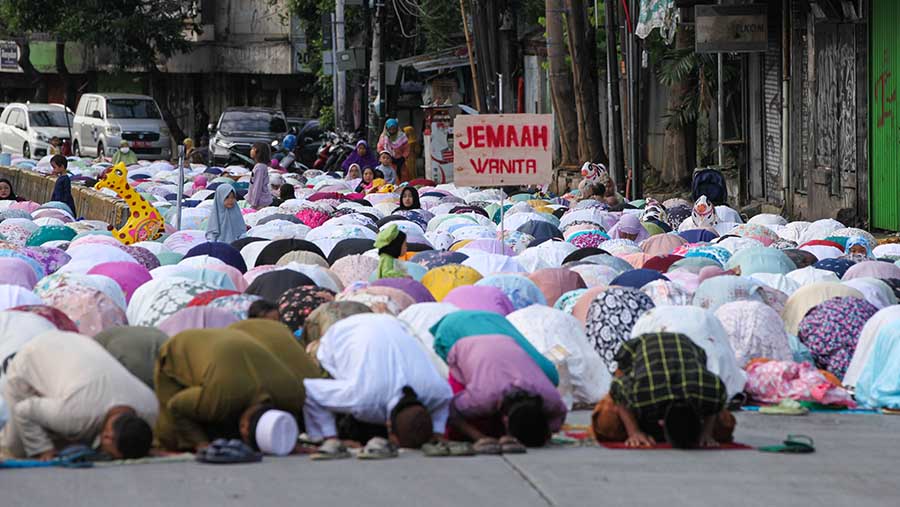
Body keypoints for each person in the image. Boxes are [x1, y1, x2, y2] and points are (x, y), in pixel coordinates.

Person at [302, 314, 452, 457]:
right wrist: (331, 439)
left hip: (393, 324)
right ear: (388, 427)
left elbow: (444, 403)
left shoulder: (437, 393)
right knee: (345, 391)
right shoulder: (363, 398)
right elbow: (310, 390)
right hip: (340, 333)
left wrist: (438, 432)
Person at [154, 325, 321, 452]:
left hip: (237, 338)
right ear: (244, 426)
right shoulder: (220, 400)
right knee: (171, 435)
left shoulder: (292, 395)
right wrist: (201, 444)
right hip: (183, 346)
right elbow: (176, 406)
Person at [0, 331, 157, 460]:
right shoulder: (75, 414)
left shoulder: (151, 407)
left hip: (75, 343)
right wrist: (43, 451)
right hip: (32, 358)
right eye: (111, 455)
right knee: (18, 450)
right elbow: (24, 410)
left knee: (68, 439)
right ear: (107, 437)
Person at [590, 332, 735, 449]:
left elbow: (717, 394)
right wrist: (634, 432)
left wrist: (707, 433)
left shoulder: (706, 391)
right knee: (608, 424)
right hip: (637, 348)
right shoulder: (644, 394)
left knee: (723, 428)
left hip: (688, 347)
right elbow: (617, 387)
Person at [447, 334, 568, 452]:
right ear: (505, 420)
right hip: (466, 348)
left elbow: (552, 425)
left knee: (496, 430)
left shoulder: (551, 400)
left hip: (506, 343)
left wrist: (542, 435)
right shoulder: (482, 398)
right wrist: (480, 438)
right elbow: (450, 411)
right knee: (457, 432)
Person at [246, 142, 273, 209]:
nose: (251, 151)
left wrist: (254, 203)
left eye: (253, 149)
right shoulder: (261, 166)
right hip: (260, 200)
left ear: (258, 152)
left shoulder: (259, 167)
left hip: (260, 202)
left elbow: (257, 186)